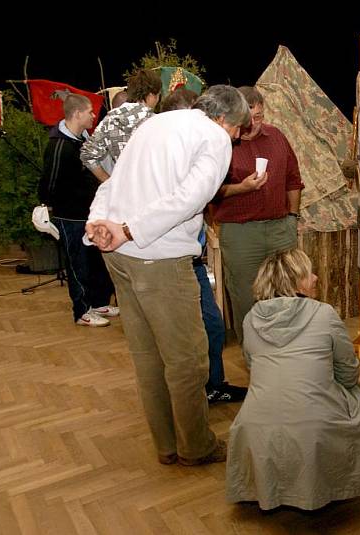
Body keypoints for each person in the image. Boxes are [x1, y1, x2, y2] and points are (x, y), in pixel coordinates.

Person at [85, 85, 252, 465]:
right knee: (188, 359)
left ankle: (167, 445)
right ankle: (196, 446)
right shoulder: (214, 137)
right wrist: (128, 229)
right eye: (238, 128)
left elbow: (111, 182)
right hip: (156, 258)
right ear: (223, 119)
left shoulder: (154, 124)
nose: (239, 137)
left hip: (119, 257)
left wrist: (99, 223)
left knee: (148, 357)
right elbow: (190, 199)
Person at [225, 249, 360, 510]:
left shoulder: (250, 318)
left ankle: (273, 489)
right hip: (315, 424)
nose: (315, 278)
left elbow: (253, 365)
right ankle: (332, 482)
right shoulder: (324, 314)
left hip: (256, 424)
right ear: (294, 282)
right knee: (358, 400)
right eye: (308, 273)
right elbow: (348, 373)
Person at [159, 87, 247, 404]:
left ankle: (212, 385)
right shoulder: (170, 154)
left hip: (190, 259)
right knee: (195, 334)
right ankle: (194, 395)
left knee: (212, 326)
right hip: (173, 262)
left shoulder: (196, 150)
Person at [212, 86, 304, 344]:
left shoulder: (276, 136)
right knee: (245, 295)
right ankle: (254, 356)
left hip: (280, 229)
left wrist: (292, 218)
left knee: (288, 291)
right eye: (249, 117)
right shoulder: (221, 143)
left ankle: (288, 350)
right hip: (240, 233)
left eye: (260, 116)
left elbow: (294, 180)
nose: (254, 123)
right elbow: (209, 192)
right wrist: (242, 188)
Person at [38, 93, 117, 327]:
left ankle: (98, 302)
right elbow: (48, 183)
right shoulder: (59, 146)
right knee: (77, 264)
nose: (94, 116)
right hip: (69, 215)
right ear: (77, 114)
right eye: (90, 112)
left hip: (88, 214)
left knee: (95, 262)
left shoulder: (83, 140)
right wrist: (47, 207)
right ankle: (82, 311)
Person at [80, 69, 162, 181]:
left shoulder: (110, 120)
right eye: (158, 95)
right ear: (152, 94)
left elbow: (88, 154)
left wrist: (110, 183)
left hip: (123, 190)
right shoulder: (157, 123)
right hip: (152, 189)